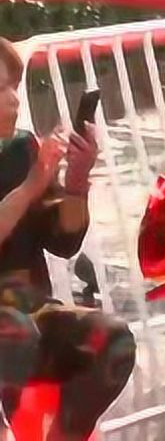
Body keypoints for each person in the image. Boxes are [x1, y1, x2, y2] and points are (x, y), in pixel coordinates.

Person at [0, 38, 136, 439]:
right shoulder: (30, 168)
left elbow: (64, 241)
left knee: (112, 341)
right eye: (1, 89)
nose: (14, 99)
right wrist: (31, 186)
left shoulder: (21, 149)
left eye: (14, 87)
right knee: (16, 338)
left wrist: (76, 181)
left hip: (28, 306)